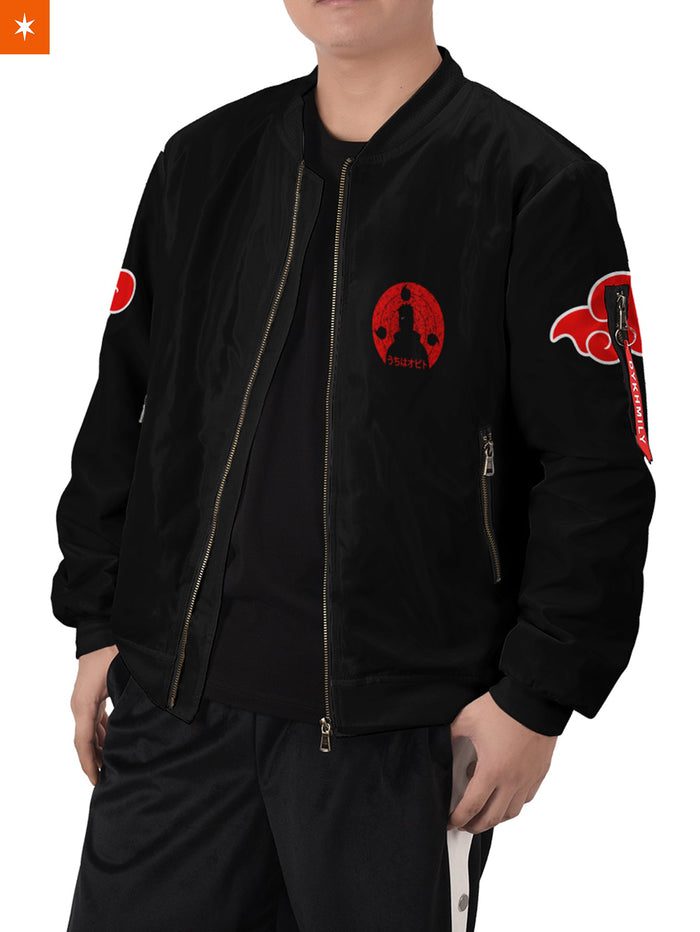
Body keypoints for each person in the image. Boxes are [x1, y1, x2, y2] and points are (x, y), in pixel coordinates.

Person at [52, 1, 655, 930]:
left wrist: (537, 697)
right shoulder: (200, 164)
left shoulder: (535, 182)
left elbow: (597, 469)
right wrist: (98, 621)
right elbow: (125, 409)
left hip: (400, 741)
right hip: (175, 716)